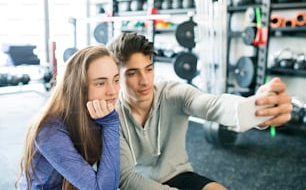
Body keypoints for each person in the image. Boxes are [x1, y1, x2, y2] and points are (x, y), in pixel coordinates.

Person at [107, 32, 292, 190]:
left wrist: (256, 109)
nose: (145, 80)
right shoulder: (111, 116)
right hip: (139, 184)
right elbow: (126, 179)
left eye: (148, 69)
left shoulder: (173, 93)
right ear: (116, 78)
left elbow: (212, 104)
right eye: (132, 73)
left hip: (177, 174)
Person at [16, 45, 120, 190]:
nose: (113, 91)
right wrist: (111, 124)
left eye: (116, 80)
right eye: (100, 83)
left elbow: (110, 180)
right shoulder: (49, 130)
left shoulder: (99, 115)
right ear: (79, 88)